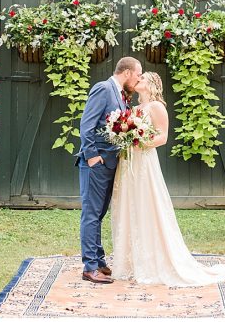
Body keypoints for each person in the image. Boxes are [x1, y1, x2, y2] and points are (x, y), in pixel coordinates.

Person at [109, 71, 225, 286]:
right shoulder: (134, 108)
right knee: (129, 205)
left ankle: (153, 261)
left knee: (147, 205)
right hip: (129, 161)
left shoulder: (157, 107)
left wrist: (138, 141)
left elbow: (162, 136)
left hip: (145, 161)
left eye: (142, 79)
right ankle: (131, 261)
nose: (138, 80)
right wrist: (124, 137)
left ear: (151, 84)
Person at [77, 56, 143, 284]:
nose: (138, 80)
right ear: (126, 72)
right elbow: (86, 125)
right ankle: (90, 267)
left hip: (110, 164)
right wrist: (93, 157)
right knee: (92, 213)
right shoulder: (103, 89)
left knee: (100, 213)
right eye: (137, 75)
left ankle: (99, 260)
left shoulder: (122, 95)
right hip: (96, 164)